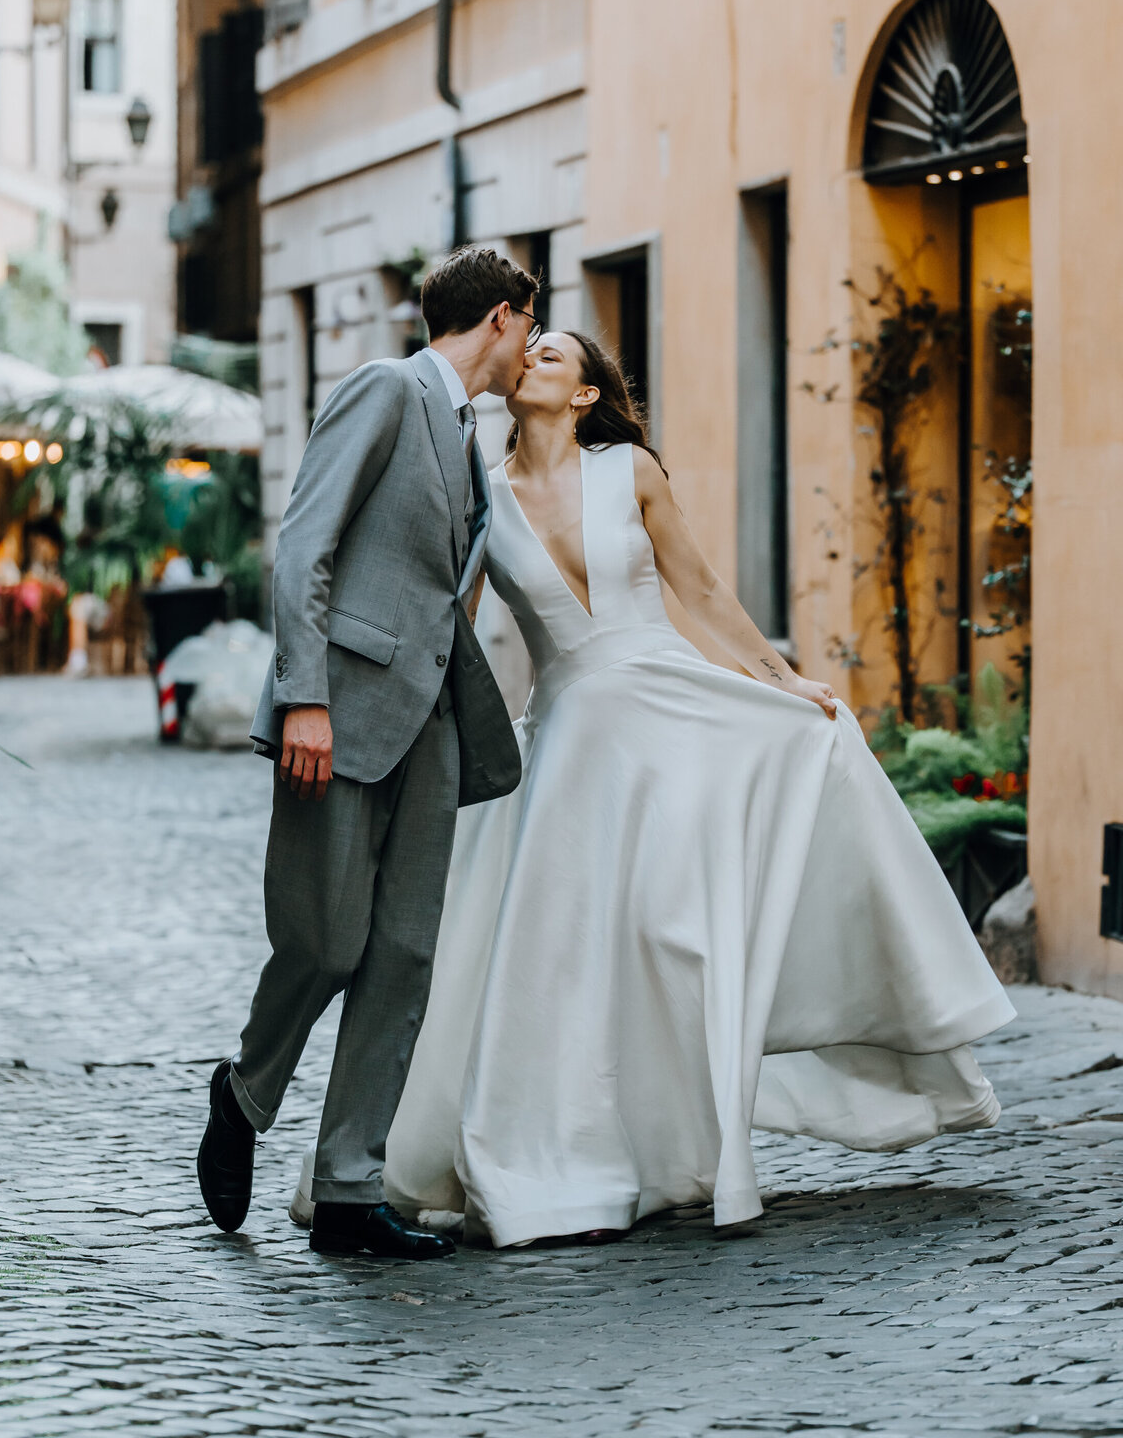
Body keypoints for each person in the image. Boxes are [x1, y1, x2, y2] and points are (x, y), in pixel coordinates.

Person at [291, 330, 1014, 1249]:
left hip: (675, 717)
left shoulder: (629, 469)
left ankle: (689, 1145)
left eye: (553, 355)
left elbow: (702, 592)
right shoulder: (480, 490)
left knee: (681, 932)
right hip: (568, 747)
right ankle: (580, 1158)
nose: (532, 360)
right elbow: (452, 631)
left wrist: (783, 680)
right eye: (530, 348)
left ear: (586, 395)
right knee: (572, 957)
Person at [196, 247, 535, 1261]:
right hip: (339, 713)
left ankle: (350, 1190)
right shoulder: (386, 390)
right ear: (507, 319)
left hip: (429, 722)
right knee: (325, 938)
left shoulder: (475, 436)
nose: (527, 349)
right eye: (529, 329)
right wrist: (303, 697)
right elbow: (306, 544)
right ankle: (244, 1092)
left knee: (405, 955)